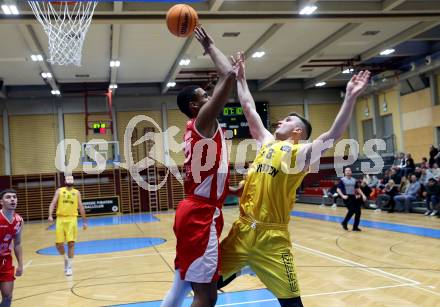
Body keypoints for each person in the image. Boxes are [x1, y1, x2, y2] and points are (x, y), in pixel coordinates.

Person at [217, 54, 370, 306]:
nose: (280, 121)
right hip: (242, 231)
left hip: (273, 240)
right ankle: (243, 266)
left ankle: (252, 266)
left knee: (293, 304)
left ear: (298, 132)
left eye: (288, 120)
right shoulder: (266, 143)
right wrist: (241, 78)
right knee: (206, 285)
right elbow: (248, 107)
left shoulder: (299, 154)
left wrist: (351, 97)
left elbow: (332, 135)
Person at [160, 26, 241, 307]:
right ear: (195, 105)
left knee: (202, 292)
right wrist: (209, 46)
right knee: (206, 296)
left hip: (198, 209)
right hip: (200, 216)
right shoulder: (202, 122)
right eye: (204, 96)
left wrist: (230, 189)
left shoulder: (196, 128)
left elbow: (206, 175)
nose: (210, 97)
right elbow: (229, 74)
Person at [48, 175, 87, 276]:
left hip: (72, 219)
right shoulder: (59, 191)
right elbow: (53, 203)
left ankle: (69, 266)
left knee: (71, 243)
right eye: (68, 179)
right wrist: (50, 215)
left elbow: (81, 207)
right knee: (58, 244)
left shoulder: (77, 192)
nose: (70, 180)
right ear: (65, 181)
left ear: (73, 181)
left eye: (71, 179)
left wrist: (84, 221)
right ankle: (65, 259)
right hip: (60, 219)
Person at [0, 189, 23, 307]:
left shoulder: (19, 220)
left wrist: (20, 264)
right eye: (8, 197)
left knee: (8, 296)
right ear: (1, 202)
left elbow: (17, 243)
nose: (12, 199)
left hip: (5, 261)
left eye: (14, 197)